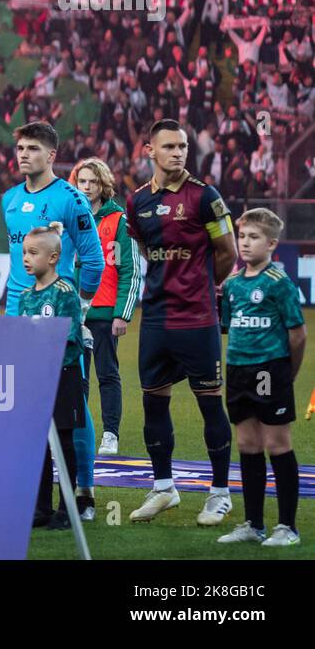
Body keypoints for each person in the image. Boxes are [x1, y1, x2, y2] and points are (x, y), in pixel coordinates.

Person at [126, 119, 239, 526]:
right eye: (170, 146)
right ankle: (163, 488)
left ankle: (220, 494)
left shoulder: (205, 197)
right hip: (155, 317)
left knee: (210, 405)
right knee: (153, 403)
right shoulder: (137, 202)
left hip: (198, 318)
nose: (178, 152)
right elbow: (144, 246)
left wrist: (203, 284)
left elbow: (227, 251)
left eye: (183, 146)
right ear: (150, 151)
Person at [2, 122, 103, 517]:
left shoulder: (71, 198)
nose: (23, 154)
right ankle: (37, 499)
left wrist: (77, 308)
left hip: (58, 318)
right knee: (29, 408)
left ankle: (85, 493)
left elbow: (93, 259)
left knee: (70, 407)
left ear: (51, 156)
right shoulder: (9, 199)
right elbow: (15, 264)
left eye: (32, 148)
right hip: (17, 316)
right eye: (20, 148)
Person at [216, 209, 305, 547]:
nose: (246, 243)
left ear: (271, 244)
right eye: (242, 237)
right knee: (247, 445)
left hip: (270, 370)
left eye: (254, 237)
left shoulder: (279, 284)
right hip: (239, 371)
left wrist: (287, 374)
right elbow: (229, 329)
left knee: (277, 445)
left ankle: (287, 527)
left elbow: (297, 334)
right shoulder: (234, 285)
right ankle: (253, 524)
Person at [70, 158, 140, 457]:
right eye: (81, 182)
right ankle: (77, 431)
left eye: (92, 182)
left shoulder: (119, 221)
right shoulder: (69, 220)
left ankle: (110, 434)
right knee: (77, 376)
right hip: (75, 313)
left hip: (104, 312)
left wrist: (122, 313)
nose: (86, 187)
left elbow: (129, 271)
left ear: (103, 185)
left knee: (108, 374)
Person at [19, 223, 86, 531]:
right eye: (24, 253)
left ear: (53, 257)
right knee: (37, 443)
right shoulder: (24, 296)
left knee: (64, 441)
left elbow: (70, 337)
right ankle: (40, 507)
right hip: (35, 378)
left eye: (33, 253)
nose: (26, 259)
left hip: (63, 375)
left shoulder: (65, 292)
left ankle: (67, 507)